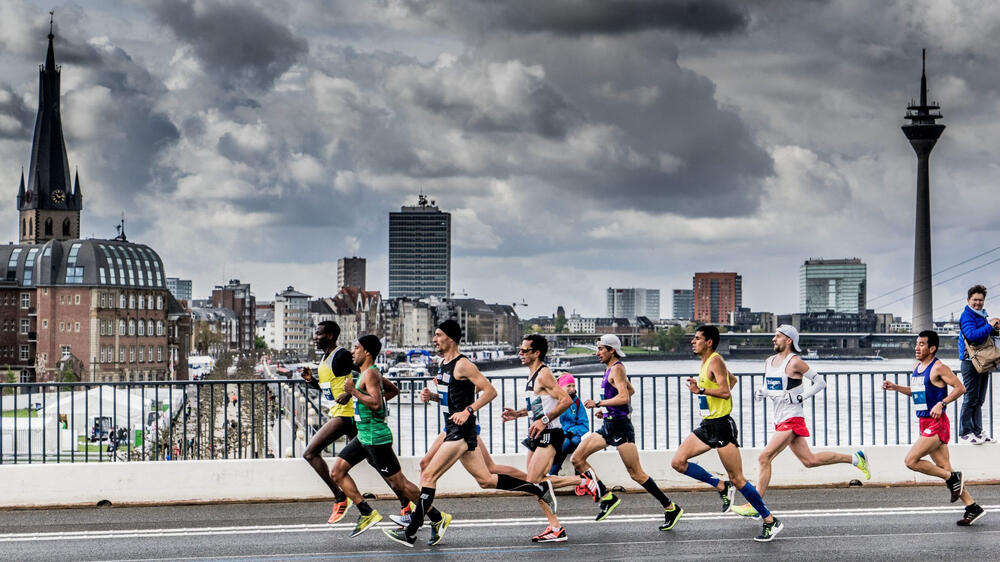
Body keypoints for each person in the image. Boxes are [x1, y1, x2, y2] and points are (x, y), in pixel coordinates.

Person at [383, 320, 557, 548]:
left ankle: (411, 532)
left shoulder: (462, 364)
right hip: (452, 427)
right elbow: (453, 398)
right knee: (485, 480)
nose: (434, 340)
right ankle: (537, 487)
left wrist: (468, 411)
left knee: (428, 476)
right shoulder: (443, 364)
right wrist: (433, 397)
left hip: (461, 431)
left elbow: (489, 391)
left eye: (438, 335)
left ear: (451, 338)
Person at [733, 325, 871, 517]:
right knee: (809, 460)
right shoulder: (769, 361)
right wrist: (762, 391)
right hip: (779, 418)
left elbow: (820, 383)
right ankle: (856, 459)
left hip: (793, 417)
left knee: (764, 457)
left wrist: (801, 397)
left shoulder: (795, 362)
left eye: (778, 336)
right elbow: (771, 385)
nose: (773, 339)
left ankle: (756, 505)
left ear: (788, 340)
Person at [670, 325, 783, 542]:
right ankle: (721, 486)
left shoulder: (715, 360)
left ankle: (769, 519)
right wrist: (701, 387)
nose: (693, 342)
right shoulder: (706, 363)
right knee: (678, 462)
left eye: (697, 338)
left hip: (722, 426)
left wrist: (700, 390)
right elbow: (732, 380)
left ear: (709, 342)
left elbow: (725, 391)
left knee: (738, 478)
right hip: (707, 425)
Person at [330, 335, 449, 538]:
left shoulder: (370, 374)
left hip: (377, 439)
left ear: (367, 352)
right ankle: (366, 513)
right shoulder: (365, 374)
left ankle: (437, 518)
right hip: (364, 437)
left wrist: (354, 392)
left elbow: (376, 403)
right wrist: (353, 394)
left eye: (356, 348)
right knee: (337, 472)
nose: (352, 351)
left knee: (399, 484)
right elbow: (392, 390)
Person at [570, 334, 683, 531]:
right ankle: (607, 497)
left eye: (601, 349)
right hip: (608, 424)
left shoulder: (618, 368)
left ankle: (670, 507)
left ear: (611, 350)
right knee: (577, 459)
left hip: (622, 427)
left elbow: (623, 397)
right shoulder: (610, 369)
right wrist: (606, 409)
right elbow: (630, 391)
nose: (597, 353)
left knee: (636, 474)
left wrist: (600, 403)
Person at [882, 330, 986, 526]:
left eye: (922, 344)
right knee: (945, 468)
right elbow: (916, 392)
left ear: (932, 348)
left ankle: (952, 477)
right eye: (916, 344)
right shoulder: (918, 367)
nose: (917, 347)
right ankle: (972, 507)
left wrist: (943, 403)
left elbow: (960, 388)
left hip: (937, 424)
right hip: (925, 422)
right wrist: (896, 387)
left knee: (911, 461)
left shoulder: (939, 367)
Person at [501, 334, 574, 542]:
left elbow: (566, 400)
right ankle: (555, 527)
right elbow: (539, 406)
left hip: (550, 433)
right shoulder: (532, 375)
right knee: (533, 483)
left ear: (536, 353)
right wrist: (518, 413)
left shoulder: (543, 374)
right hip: (538, 432)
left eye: (525, 350)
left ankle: (584, 481)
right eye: (521, 349)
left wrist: (543, 420)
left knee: (534, 481)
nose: (520, 353)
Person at [299, 321, 362, 523]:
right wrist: (311, 381)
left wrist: (349, 392)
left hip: (346, 415)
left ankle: (340, 497)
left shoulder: (341, 355)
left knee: (310, 453)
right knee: (375, 459)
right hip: (341, 413)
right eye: (315, 334)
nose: (315, 337)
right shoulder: (325, 358)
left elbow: (367, 372)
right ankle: (406, 502)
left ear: (331, 336)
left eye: (319, 334)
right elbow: (329, 390)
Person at [957, 284, 999, 444]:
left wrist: (994, 328)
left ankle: (978, 431)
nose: (978, 303)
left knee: (979, 399)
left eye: (980, 300)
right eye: (975, 300)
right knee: (970, 398)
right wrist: (989, 325)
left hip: (982, 361)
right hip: (970, 361)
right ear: (968, 300)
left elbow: (984, 337)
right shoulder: (967, 316)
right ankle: (965, 432)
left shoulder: (981, 315)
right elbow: (972, 336)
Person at [549, 373, 588, 476]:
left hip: (573, 432)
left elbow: (584, 423)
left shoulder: (577, 402)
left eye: (573, 386)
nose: (572, 389)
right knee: (565, 443)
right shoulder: (554, 401)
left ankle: (579, 474)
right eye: (568, 386)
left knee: (577, 441)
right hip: (559, 433)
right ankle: (553, 472)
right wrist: (564, 433)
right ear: (561, 387)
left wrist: (572, 432)